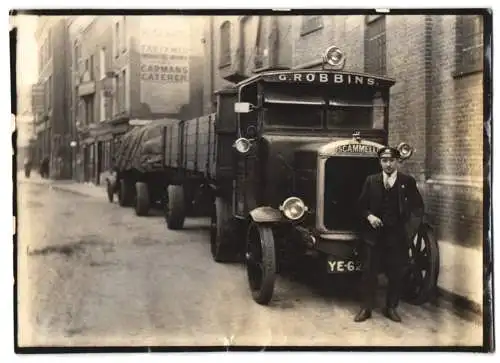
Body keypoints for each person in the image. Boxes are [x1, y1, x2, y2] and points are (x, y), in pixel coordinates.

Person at [354, 146, 424, 323]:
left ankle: (391, 307)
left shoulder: (407, 181)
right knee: (369, 273)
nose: (388, 164)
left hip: (396, 237)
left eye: (391, 160)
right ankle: (366, 308)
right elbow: (360, 206)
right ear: (380, 162)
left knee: (395, 273)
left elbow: (417, 208)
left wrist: (408, 232)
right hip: (373, 237)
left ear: (397, 162)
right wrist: (369, 216)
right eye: (384, 161)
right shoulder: (371, 181)